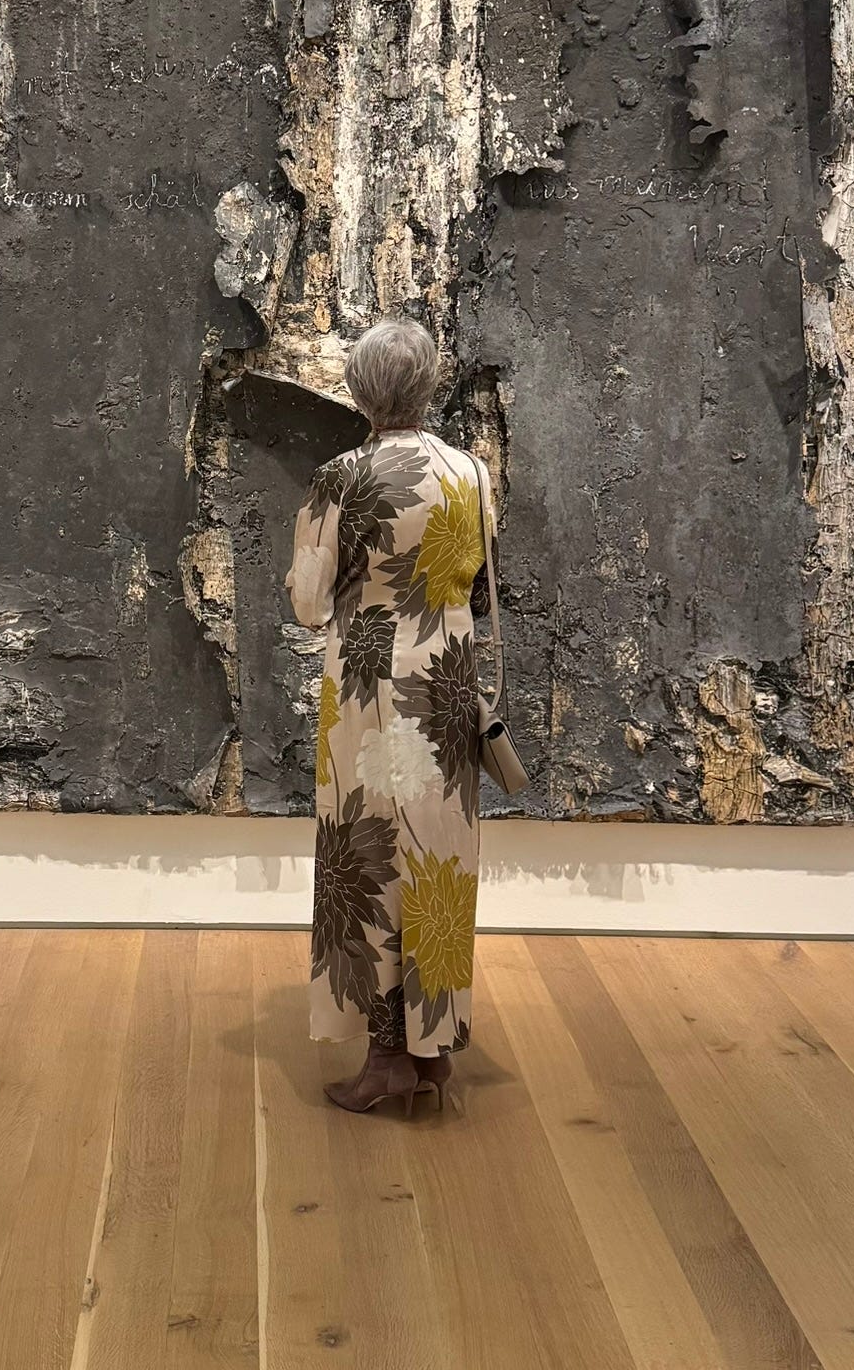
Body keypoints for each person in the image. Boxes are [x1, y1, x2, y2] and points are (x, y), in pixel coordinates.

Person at [285, 316, 493, 1115]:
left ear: (359, 391)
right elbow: (475, 577)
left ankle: (384, 1058)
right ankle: (432, 1051)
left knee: (370, 854)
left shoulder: (340, 479)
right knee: (438, 853)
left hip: (369, 686)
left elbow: (310, 604)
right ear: (430, 383)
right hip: (447, 682)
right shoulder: (471, 472)